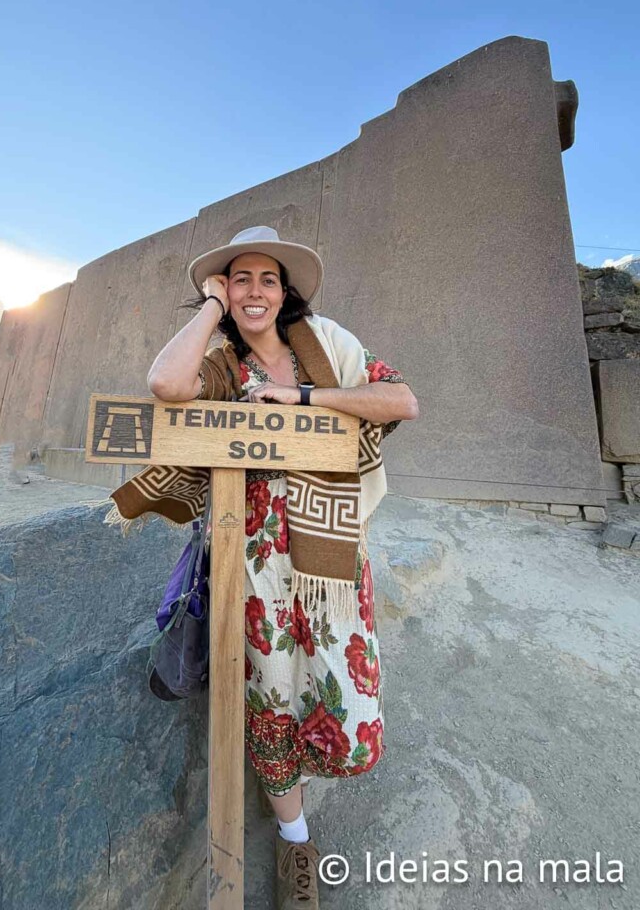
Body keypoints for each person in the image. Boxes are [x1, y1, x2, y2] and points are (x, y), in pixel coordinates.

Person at [109, 226, 419, 909]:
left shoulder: (329, 346)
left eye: (267, 280)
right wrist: (209, 309)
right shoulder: (221, 365)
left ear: (287, 293)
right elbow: (166, 383)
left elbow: (400, 401)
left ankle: (314, 774)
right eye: (238, 279)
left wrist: (305, 401)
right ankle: (295, 841)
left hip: (330, 563)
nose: (254, 291)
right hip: (252, 567)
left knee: (346, 697)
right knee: (272, 700)